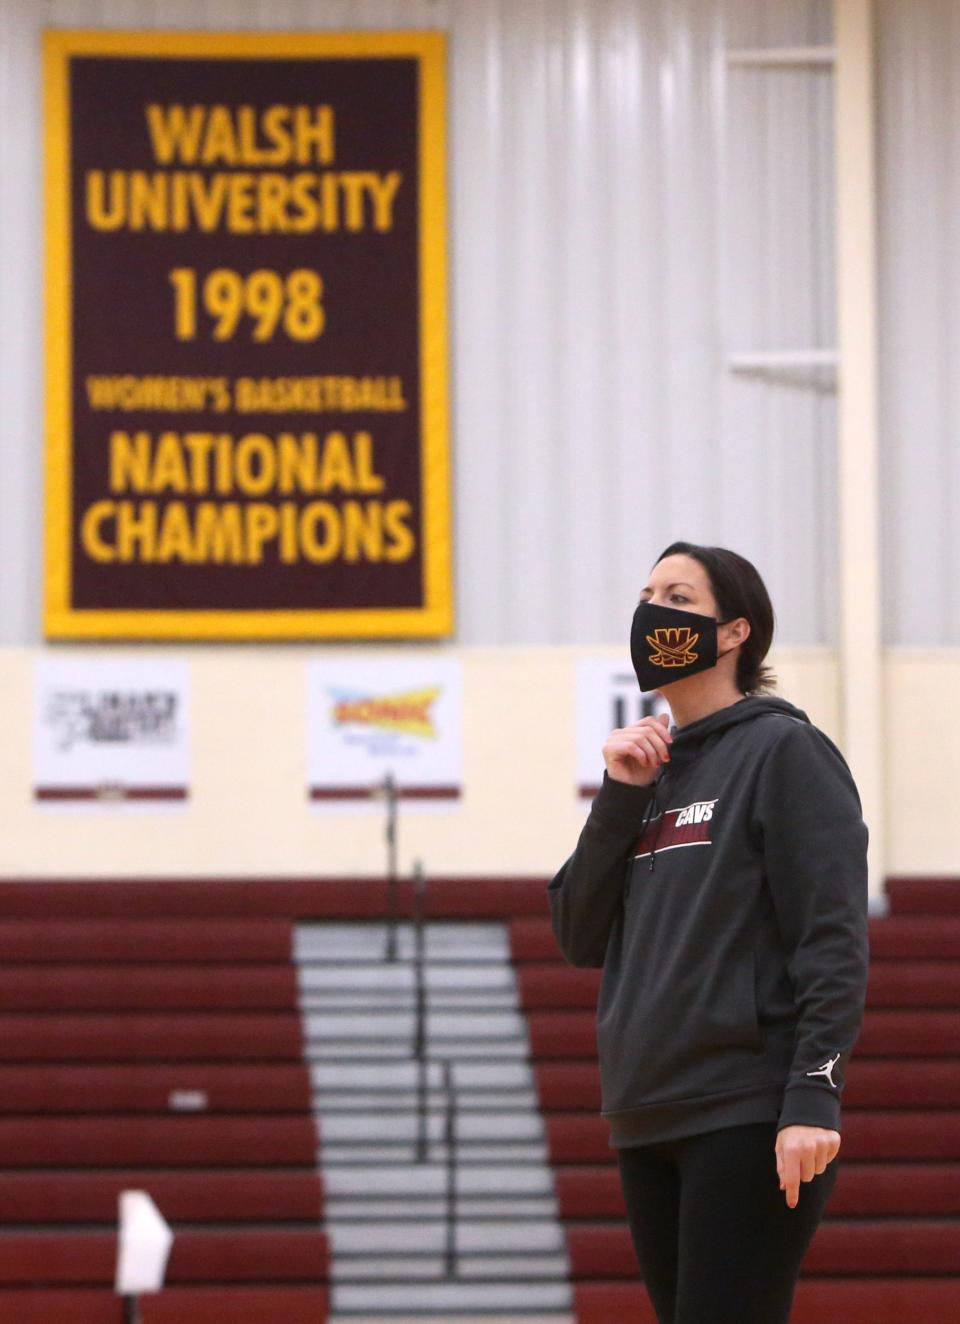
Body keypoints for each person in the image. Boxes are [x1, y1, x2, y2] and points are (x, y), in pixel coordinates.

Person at [547, 541, 870, 1324]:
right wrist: (620, 797)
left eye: (680, 597)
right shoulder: (649, 774)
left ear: (734, 633)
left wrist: (812, 1097)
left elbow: (832, 938)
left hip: (746, 1111)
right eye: (648, 592)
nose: (655, 610)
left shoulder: (784, 751)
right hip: (646, 1112)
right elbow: (578, 933)